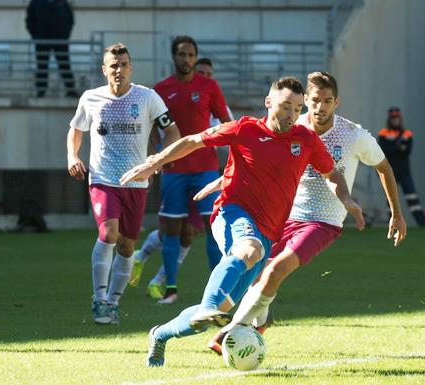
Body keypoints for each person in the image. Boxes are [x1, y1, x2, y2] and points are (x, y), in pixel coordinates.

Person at [120, 76, 365, 367]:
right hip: (231, 213)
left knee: (215, 313)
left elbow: (332, 173)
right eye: (286, 106)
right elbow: (193, 141)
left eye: (298, 109)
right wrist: (154, 162)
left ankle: (160, 335)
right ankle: (209, 306)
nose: (291, 115)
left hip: (267, 233)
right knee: (247, 251)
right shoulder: (245, 128)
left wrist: (347, 199)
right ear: (269, 102)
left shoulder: (306, 140)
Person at [203, 72, 408, 354]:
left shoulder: (354, 135)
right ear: (306, 102)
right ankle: (248, 320)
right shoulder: (293, 127)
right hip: (282, 217)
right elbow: (255, 158)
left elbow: (383, 166)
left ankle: (229, 333)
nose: (320, 107)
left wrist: (396, 213)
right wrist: (221, 182)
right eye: (315, 100)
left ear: (337, 102)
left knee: (274, 270)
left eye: (327, 101)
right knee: (255, 273)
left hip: (322, 222)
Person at [67, 43, 180, 325]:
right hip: (103, 178)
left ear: (131, 67)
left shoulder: (147, 98)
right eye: (113, 65)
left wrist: (158, 160)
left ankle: (114, 303)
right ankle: (99, 299)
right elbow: (76, 130)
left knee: (128, 247)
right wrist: (72, 156)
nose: (119, 70)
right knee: (108, 234)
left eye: (124, 64)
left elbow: (173, 130)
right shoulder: (91, 98)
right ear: (104, 70)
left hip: (137, 182)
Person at [130, 56, 233, 301]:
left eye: (210, 73)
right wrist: (155, 157)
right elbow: (156, 127)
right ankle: (149, 266)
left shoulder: (214, 96)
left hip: (206, 172)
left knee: (197, 231)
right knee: (173, 229)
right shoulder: (166, 90)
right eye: (202, 73)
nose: (205, 77)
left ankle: (211, 291)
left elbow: (232, 129)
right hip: (176, 171)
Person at [378, 107, 425, 226]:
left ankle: (423, 223)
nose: (395, 121)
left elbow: (407, 151)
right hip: (389, 171)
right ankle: (391, 223)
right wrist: (398, 145)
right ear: (389, 119)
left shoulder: (407, 133)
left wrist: (393, 145)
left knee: (412, 197)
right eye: (393, 118)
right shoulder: (383, 133)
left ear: (400, 119)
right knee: (391, 199)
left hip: (404, 171)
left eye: (397, 118)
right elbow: (384, 150)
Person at [26, 0, 77, 98]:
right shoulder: (36, 3)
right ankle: (41, 91)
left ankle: (70, 89)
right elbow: (30, 21)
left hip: (60, 41)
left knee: (64, 64)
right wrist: (36, 36)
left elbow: (70, 19)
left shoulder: (62, 2)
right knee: (42, 66)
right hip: (42, 41)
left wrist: (65, 35)